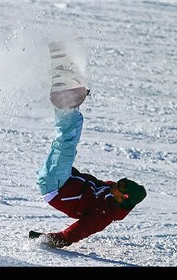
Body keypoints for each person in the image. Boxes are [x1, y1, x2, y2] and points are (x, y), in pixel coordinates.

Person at [32, 97, 147, 248]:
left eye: (121, 186)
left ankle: (64, 102)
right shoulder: (111, 192)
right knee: (76, 126)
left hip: (57, 188)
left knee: (66, 144)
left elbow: (79, 230)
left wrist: (48, 240)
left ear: (124, 197)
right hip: (64, 179)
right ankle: (70, 103)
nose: (116, 184)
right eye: (121, 182)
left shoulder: (104, 214)